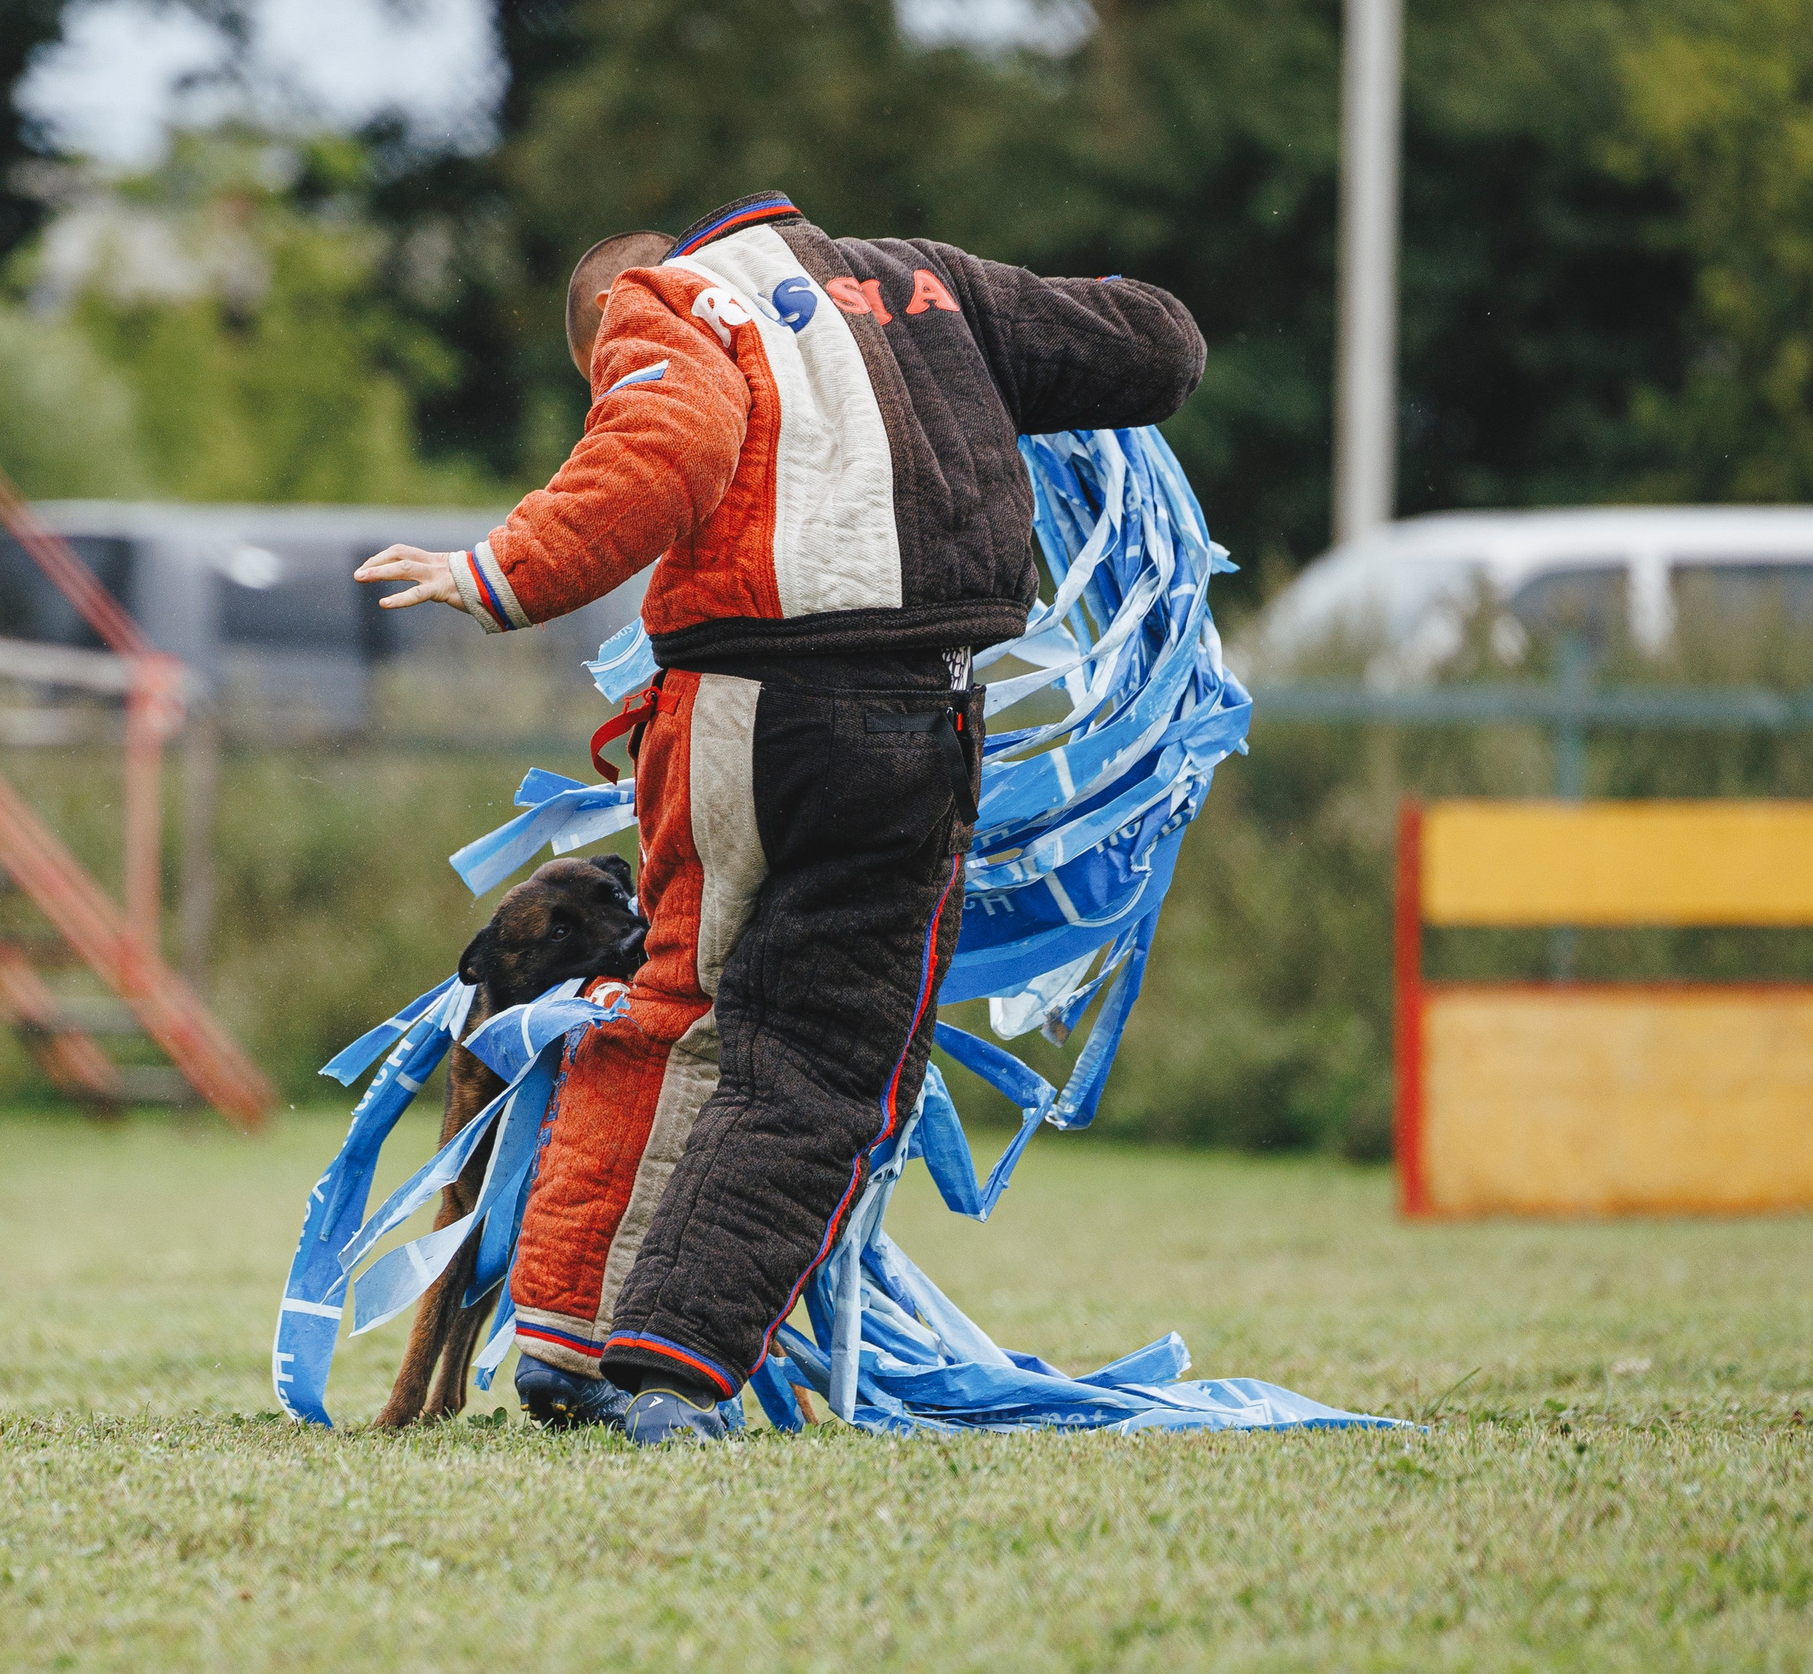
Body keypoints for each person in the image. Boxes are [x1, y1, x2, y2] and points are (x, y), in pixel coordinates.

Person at [356, 191, 1203, 1444]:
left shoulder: (672, 300)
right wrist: (964, 347)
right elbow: (1157, 347)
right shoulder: (931, 284)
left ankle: (565, 1342)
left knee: (676, 1010)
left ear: (609, 305)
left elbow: (668, 440)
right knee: (818, 1056)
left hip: (733, 718)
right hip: (910, 719)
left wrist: (499, 572)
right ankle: (668, 1372)